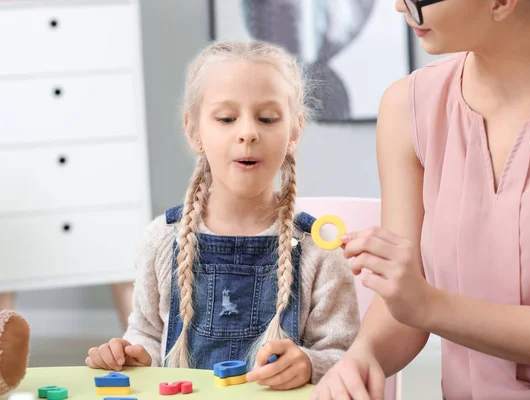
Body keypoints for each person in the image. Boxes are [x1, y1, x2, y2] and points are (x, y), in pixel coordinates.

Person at [313, 0, 530, 399]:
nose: (400, 6)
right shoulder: (408, 107)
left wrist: (429, 306)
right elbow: (404, 304)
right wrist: (364, 355)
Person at [84, 40, 360, 391]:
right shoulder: (161, 239)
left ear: (294, 131)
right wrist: (134, 355)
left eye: (268, 118)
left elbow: (345, 355)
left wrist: (309, 364)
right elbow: (150, 336)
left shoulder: (319, 251)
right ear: (194, 130)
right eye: (227, 118)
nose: (248, 132)